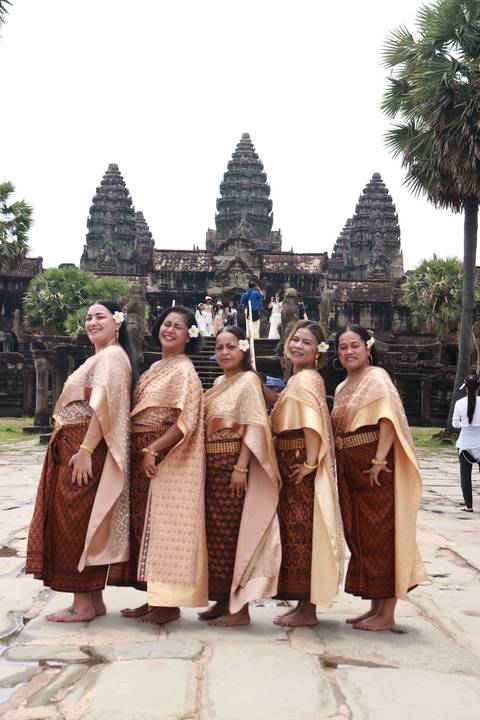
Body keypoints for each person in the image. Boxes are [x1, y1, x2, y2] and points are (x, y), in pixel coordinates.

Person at [25, 300, 137, 622]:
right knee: (80, 520)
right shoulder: (103, 357)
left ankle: (82, 604)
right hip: (74, 445)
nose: (91, 322)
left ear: (118, 322)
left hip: (83, 448)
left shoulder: (113, 357)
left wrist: (86, 451)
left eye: (99, 317)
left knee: (73, 522)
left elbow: (106, 408)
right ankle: (93, 600)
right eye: (88, 317)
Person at [331, 325, 427, 631]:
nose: (348, 352)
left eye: (354, 346)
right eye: (343, 347)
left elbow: (387, 420)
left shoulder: (377, 377)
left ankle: (387, 614)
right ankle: (375, 606)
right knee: (362, 537)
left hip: (376, 469)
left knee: (383, 536)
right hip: (351, 468)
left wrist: (378, 459)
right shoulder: (343, 385)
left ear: (368, 348)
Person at [116, 305, 208, 625]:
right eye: (166, 324)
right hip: (142, 449)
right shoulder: (158, 365)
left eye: (178, 327)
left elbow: (186, 421)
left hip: (162, 456)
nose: (169, 330)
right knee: (145, 527)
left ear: (189, 335)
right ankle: (153, 597)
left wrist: (153, 449)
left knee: (162, 528)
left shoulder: (184, 370)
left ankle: (168, 605)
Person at [199, 326, 281, 626]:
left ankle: (241, 610)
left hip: (234, 464)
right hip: (212, 466)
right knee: (217, 536)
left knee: (235, 536)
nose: (224, 353)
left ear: (243, 349)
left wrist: (241, 466)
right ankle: (222, 600)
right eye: (219, 347)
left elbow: (254, 425)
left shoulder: (248, 380)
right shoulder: (220, 381)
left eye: (230, 347)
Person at [270, 320, 343, 627]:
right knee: (296, 534)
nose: (298, 345)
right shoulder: (300, 379)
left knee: (304, 535)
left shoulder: (307, 379)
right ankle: (302, 604)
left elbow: (312, 424)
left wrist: (311, 464)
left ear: (318, 351)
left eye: (306, 342)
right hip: (293, 463)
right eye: (295, 339)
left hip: (301, 465)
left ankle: (308, 609)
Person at [452, 374, 480, 512]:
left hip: (465, 444)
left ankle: (468, 505)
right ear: (478, 388)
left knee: (465, 475)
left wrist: (467, 423)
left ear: (466, 388)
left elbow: (455, 424)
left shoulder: (459, 403)